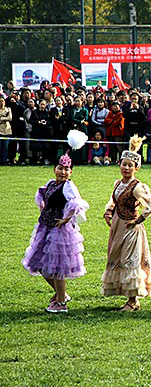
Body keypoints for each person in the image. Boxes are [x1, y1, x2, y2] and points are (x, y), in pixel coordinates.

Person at [22, 132, 89, 313]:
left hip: (60, 232)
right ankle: (62, 294)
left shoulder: (68, 186)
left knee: (57, 268)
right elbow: (41, 195)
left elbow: (77, 203)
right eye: (60, 168)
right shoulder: (52, 184)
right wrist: (43, 210)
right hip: (46, 228)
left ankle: (61, 303)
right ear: (54, 169)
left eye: (66, 169)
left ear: (71, 172)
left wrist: (66, 218)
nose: (63, 172)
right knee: (39, 264)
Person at [101, 135, 151, 311]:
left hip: (130, 227)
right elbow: (113, 200)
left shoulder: (137, 187)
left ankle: (133, 301)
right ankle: (128, 297)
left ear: (136, 168)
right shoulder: (118, 183)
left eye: (130, 165)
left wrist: (139, 220)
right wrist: (108, 212)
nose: (126, 168)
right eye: (124, 164)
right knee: (118, 258)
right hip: (118, 226)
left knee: (130, 260)